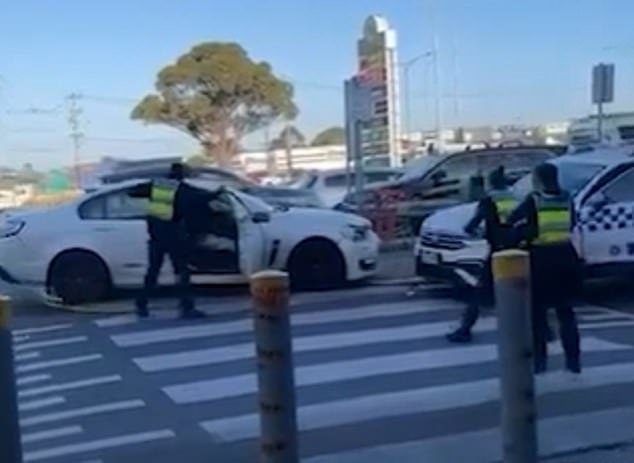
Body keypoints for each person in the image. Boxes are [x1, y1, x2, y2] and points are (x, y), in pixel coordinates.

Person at [506, 162, 581, 375]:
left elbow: (514, 220)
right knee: (566, 313)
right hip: (566, 256)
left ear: (538, 179)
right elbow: (573, 223)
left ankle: (540, 364)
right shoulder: (568, 198)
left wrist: (519, 235)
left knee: (538, 314)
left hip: (541, 260)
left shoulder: (534, 200)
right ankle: (573, 364)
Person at [447, 166, 517, 343]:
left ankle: (465, 330)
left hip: (497, 252)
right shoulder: (516, 199)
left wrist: (478, 232)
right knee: (526, 291)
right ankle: (544, 331)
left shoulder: (489, 200)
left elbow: (471, 226)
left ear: (490, 184)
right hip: (519, 251)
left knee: (479, 293)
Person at [130, 162, 207, 320]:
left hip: (156, 237)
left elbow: (133, 192)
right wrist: (219, 192)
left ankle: (141, 304)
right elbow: (201, 198)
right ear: (182, 175)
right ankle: (186, 307)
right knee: (181, 271)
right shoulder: (183, 189)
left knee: (153, 272)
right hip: (174, 236)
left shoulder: (157, 185)